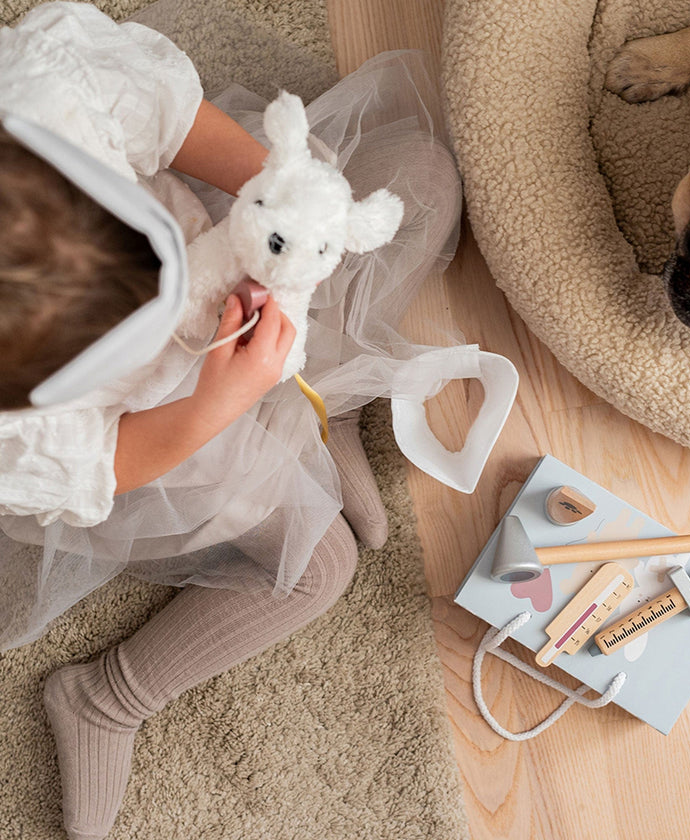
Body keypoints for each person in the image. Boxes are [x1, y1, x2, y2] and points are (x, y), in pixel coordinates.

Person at [0, 3, 462, 839]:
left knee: (424, 176)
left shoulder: (38, 93)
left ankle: (331, 405)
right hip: (160, 414)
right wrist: (221, 399)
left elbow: (176, 128)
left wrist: (290, 224)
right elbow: (111, 463)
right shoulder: (20, 428)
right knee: (321, 570)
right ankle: (107, 696)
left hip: (232, 247)